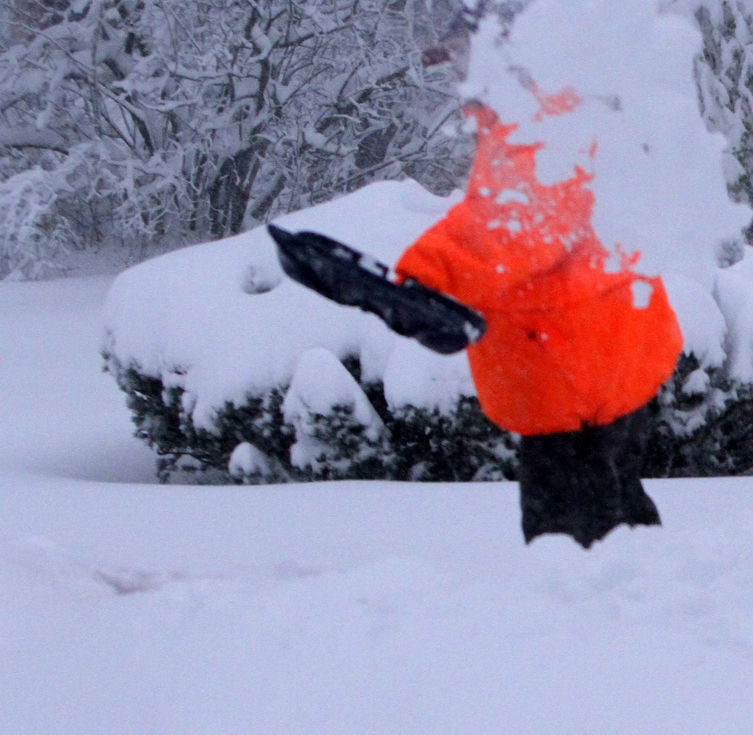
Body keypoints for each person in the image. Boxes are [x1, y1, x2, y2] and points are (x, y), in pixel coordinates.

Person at [273, 102, 683, 548]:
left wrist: (430, 279)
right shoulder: (580, 107)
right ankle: (647, 597)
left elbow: (513, 220)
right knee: (620, 515)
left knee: (570, 540)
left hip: (569, 371)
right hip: (614, 357)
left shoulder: (538, 120)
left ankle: (591, 611)